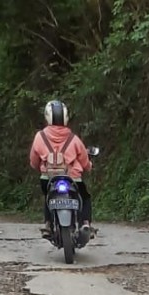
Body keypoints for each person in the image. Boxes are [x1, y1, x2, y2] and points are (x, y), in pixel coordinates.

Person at [29, 100, 93, 239]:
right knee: (85, 197)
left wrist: (39, 167)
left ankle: (47, 224)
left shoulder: (40, 137)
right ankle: (85, 222)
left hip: (49, 177)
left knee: (48, 196)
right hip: (72, 177)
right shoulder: (73, 139)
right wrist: (88, 167)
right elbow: (84, 160)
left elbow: (34, 161)